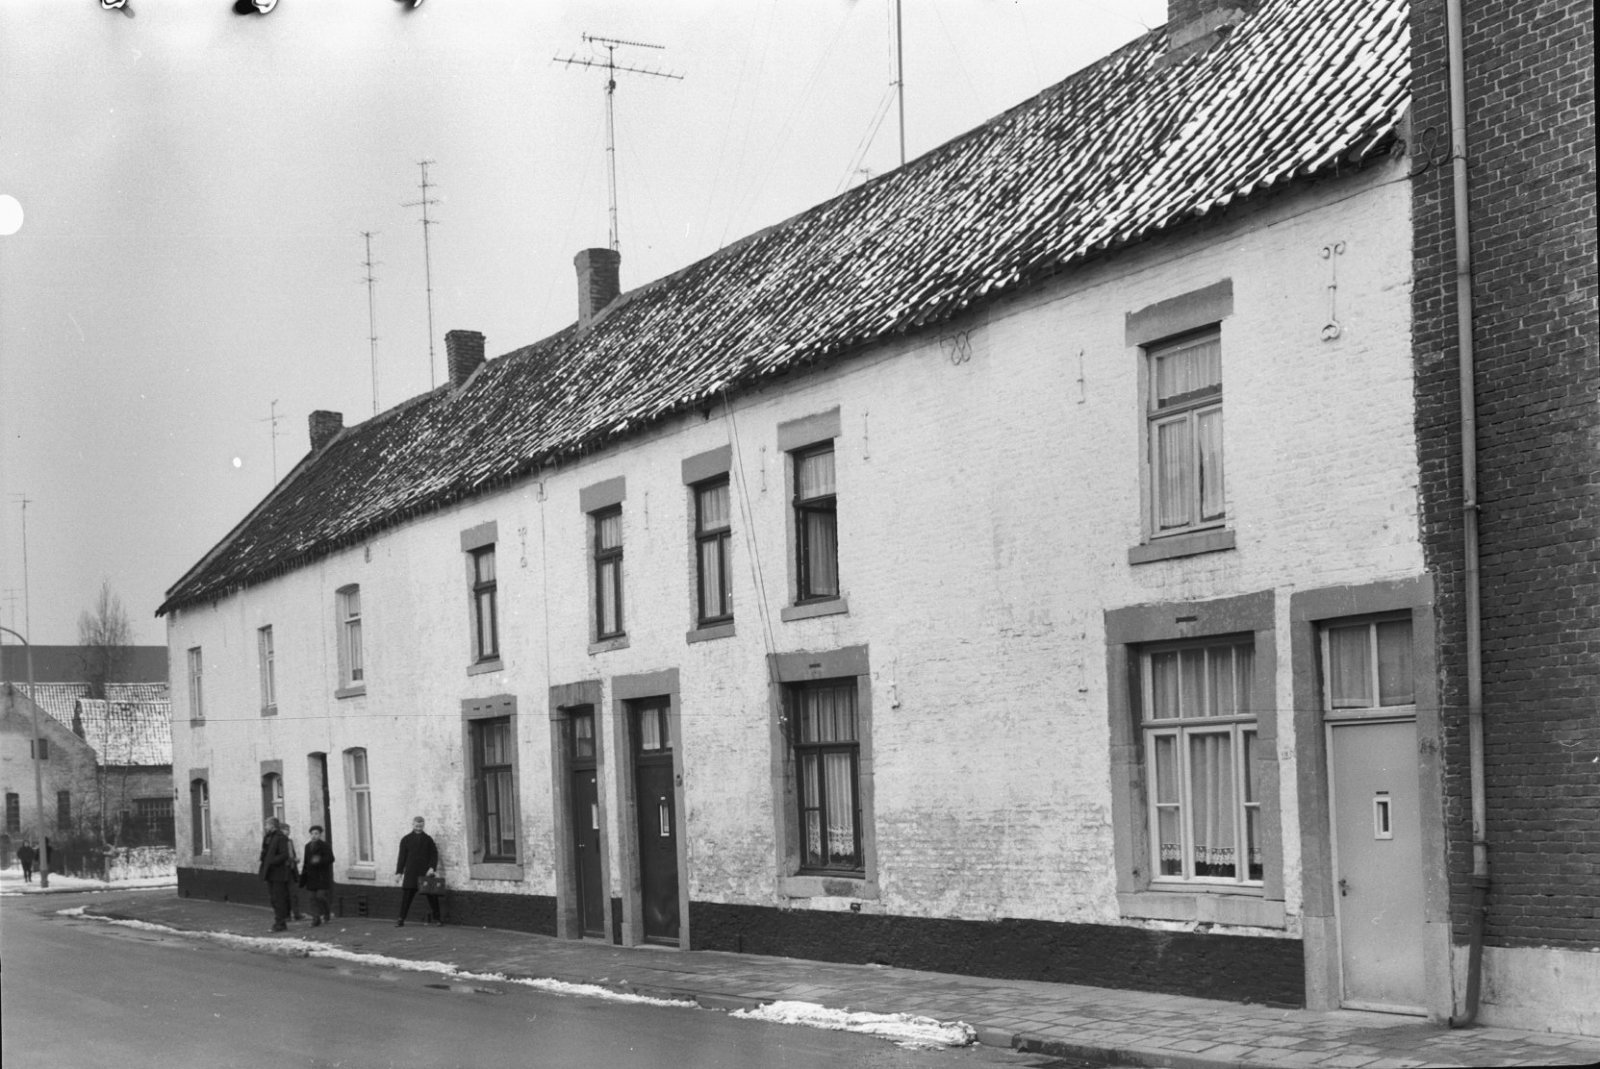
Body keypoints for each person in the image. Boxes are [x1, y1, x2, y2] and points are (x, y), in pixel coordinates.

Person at [394, 815, 441, 926]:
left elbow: (434, 854)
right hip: (411, 873)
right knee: (407, 897)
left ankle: (438, 919)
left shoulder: (428, 839)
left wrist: (432, 868)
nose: (418, 828)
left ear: (423, 825)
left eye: (421, 826)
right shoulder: (406, 840)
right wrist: (399, 872)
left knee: (432, 896)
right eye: (416, 826)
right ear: (413, 825)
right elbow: (402, 857)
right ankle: (401, 919)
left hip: (425, 873)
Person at [258, 817, 293, 932]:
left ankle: (281, 923)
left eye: (267, 825)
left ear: (272, 825)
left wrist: (272, 861)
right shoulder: (268, 837)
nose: (265, 827)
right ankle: (279, 921)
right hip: (270, 872)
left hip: (279, 872)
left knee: (278, 898)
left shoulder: (280, 838)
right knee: (273, 899)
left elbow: (284, 854)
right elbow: (265, 851)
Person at [299, 824, 335, 927]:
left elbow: (331, 858)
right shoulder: (307, 846)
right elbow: (306, 862)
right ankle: (316, 918)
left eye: (316, 834)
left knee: (320, 896)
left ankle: (326, 912)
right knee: (311, 898)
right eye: (312, 834)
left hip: (321, 876)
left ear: (320, 835)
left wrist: (319, 860)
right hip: (311, 876)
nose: (314, 836)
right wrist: (303, 877)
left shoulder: (325, 846)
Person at [282, 823, 305, 921]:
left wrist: (294, 860)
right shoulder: (279, 842)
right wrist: (292, 860)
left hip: (291, 870)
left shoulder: (289, 841)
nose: (288, 832)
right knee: (285, 895)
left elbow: (291, 853)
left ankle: (296, 913)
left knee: (294, 894)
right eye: (285, 829)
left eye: (288, 830)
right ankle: (287, 915)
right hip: (283, 871)